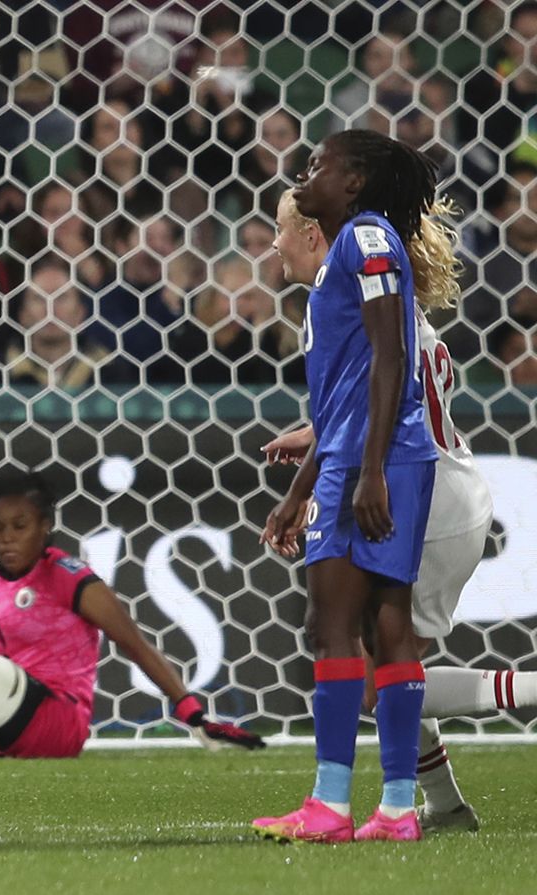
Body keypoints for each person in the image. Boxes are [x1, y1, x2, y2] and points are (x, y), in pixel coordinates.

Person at [264, 189, 529, 834]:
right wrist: (317, 435)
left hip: (424, 490)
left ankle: (514, 705)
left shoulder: (353, 297)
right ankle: (438, 805)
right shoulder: (381, 294)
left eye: (278, 228)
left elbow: (389, 390)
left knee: (374, 673)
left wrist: (308, 482)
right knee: (384, 652)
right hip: (443, 480)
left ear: (312, 232)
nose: (272, 244)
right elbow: (388, 394)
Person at [254, 130, 448, 843]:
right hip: (372, 453)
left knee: (331, 623)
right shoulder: (353, 247)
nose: (307, 173)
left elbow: (391, 356)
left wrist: (368, 469)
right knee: (383, 624)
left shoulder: (366, 239)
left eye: (321, 165)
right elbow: (339, 400)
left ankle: (330, 803)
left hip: (379, 457)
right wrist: (299, 486)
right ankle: (397, 807)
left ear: (356, 182)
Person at [0, 467, 262, 761]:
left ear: (45, 526)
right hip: (1, 717)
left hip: (56, 722)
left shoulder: (71, 579)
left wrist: (190, 712)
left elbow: (135, 645)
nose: (7, 539)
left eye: (20, 527)